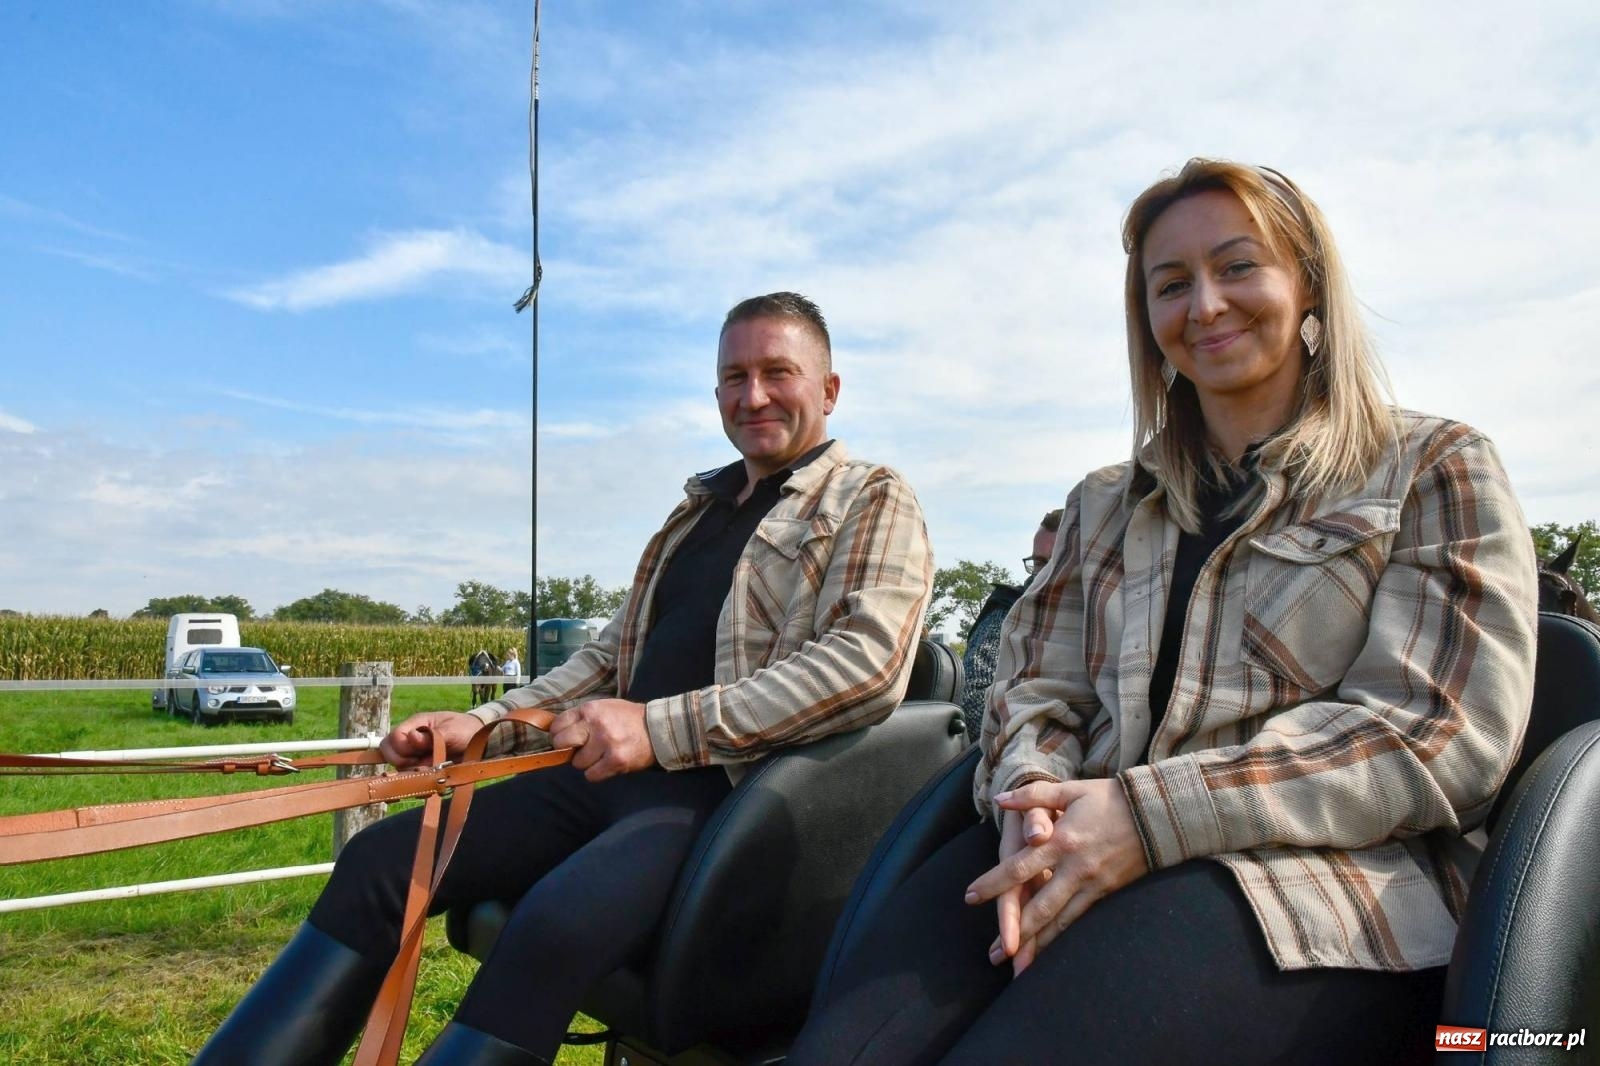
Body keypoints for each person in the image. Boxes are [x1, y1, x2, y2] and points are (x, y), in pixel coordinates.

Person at [783, 160, 1537, 1066]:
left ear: (1308, 288)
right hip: (1067, 839)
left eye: (1238, 267)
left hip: (1307, 892)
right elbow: (1034, 686)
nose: (1206, 305)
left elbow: (1433, 735)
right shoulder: (1104, 503)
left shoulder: (1434, 466)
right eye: (1171, 285)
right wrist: (1031, 799)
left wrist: (1149, 816)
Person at [195, 292, 933, 1066]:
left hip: (722, 798)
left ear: (829, 388)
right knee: (382, 862)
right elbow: (605, 663)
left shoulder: (872, 497)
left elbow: (865, 666)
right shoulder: (695, 512)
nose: (753, 395)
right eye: (733, 376)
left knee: (552, 926)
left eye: (778, 372)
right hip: (595, 775)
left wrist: (655, 728)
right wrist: (483, 725)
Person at [958, 508, 1062, 741]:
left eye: (1055, 562)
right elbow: (973, 696)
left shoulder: (1104, 618)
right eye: (1038, 562)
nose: (1042, 574)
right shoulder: (1007, 611)